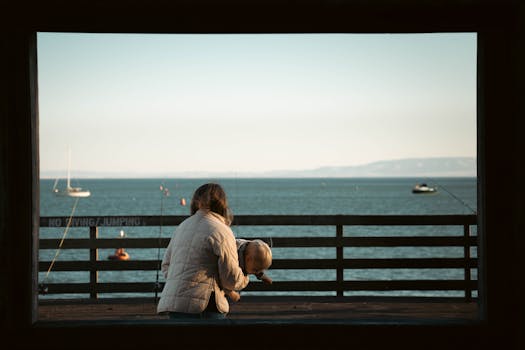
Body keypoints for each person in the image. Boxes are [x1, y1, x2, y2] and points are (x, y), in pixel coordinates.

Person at [157, 183, 249, 320]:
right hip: (203, 307)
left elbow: (166, 266)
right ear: (222, 204)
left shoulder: (182, 226)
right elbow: (230, 279)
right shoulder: (222, 231)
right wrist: (245, 276)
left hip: (174, 307)